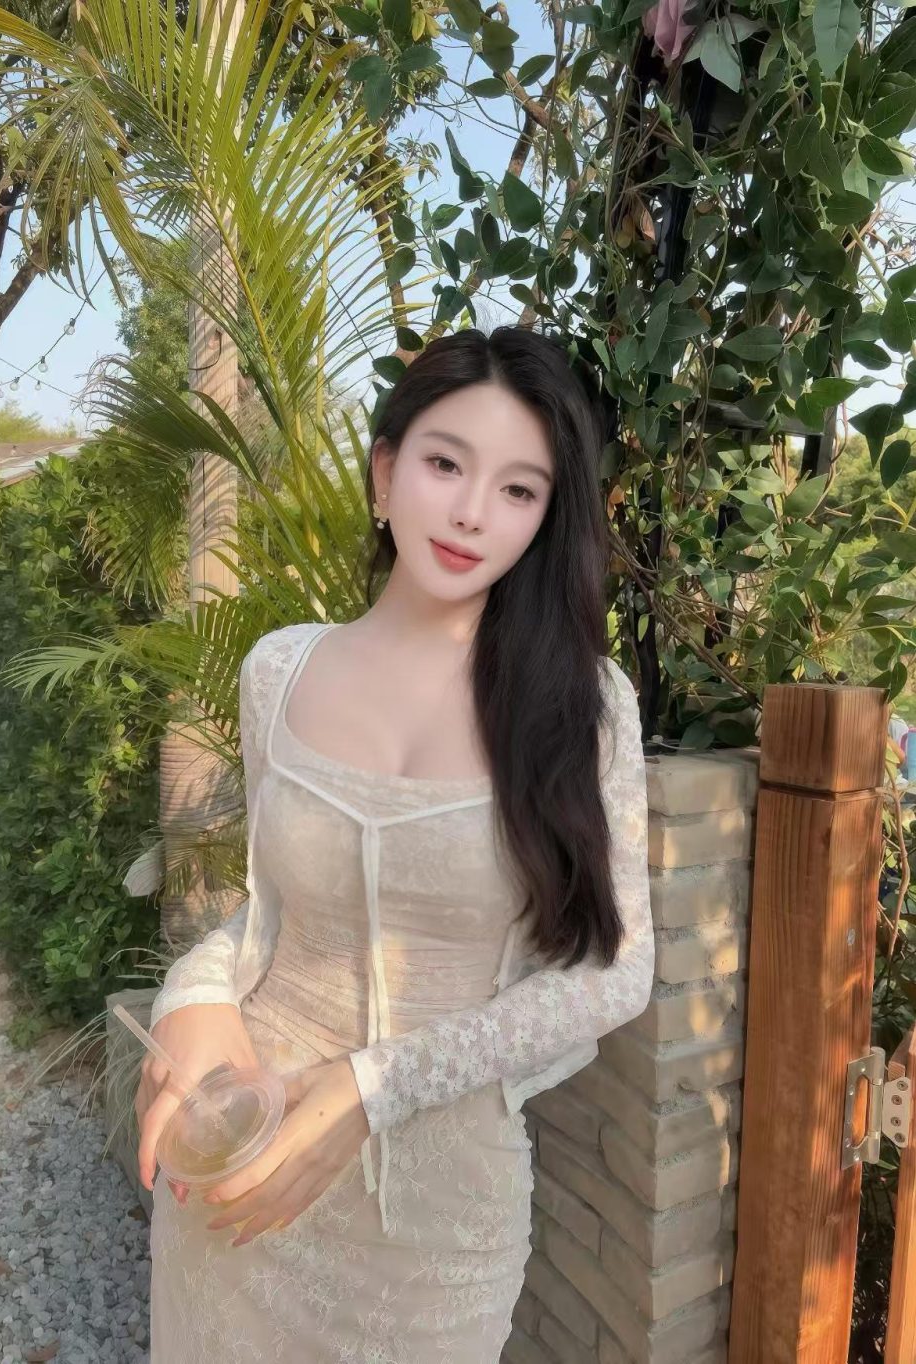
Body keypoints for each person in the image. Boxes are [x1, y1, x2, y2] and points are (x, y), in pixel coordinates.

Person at [136, 326, 655, 1362]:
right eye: (445, 464)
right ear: (385, 472)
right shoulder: (279, 670)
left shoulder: (583, 707)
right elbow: (266, 918)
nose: (472, 512)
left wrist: (373, 1085)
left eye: (518, 489)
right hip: (243, 1171)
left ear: (546, 518)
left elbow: (615, 970)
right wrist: (190, 999)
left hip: (438, 1229)